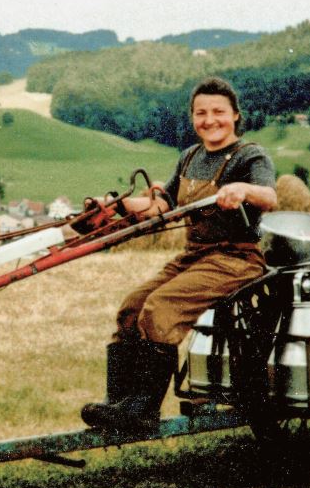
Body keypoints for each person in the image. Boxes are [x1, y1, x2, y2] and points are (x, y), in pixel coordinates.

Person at [82, 76, 277, 431]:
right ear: (192, 118)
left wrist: (242, 189)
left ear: (235, 115)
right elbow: (162, 205)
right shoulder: (190, 157)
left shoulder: (251, 156)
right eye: (200, 113)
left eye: (218, 111)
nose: (209, 120)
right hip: (195, 256)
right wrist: (117, 204)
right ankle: (119, 403)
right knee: (132, 307)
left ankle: (143, 412)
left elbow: (269, 196)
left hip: (235, 259)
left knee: (161, 309)